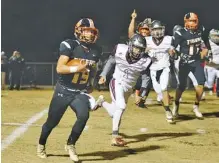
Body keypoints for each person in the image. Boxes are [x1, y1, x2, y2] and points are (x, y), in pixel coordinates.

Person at [37, 18, 103, 162]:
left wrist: (91, 82)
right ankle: (41, 144)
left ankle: (70, 145)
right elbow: (60, 68)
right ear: (79, 30)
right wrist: (76, 68)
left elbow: (94, 68)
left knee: (83, 116)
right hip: (64, 90)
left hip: (79, 92)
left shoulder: (96, 49)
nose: (91, 34)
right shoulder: (69, 45)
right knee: (52, 122)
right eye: (87, 31)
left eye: (92, 32)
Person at [98, 34, 152, 146]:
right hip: (117, 81)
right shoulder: (120, 49)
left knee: (115, 112)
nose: (137, 51)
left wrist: (141, 93)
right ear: (130, 45)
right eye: (136, 47)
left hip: (129, 87)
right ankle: (115, 136)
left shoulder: (146, 60)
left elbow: (146, 78)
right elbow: (111, 61)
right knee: (121, 106)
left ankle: (102, 103)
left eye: (140, 49)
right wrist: (103, 74)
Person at [170, 12, 210, 119]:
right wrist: (172, 52)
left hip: (196, 61)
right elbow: (172, 47)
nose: (194, 23)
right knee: (182, 86)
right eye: (191, 20)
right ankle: (176, 105)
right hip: (184, 62)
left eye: (195, 20)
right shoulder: (180, 32)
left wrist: (205, 51)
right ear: (186, 22)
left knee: (201, 84)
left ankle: (196, 106)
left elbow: (204, 45)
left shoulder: (201, 30)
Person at [146, 20, 174, 124]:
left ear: (163, 29)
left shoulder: (169, 39)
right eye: (155, 29)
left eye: (159, 29)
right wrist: (146, 49)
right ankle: (168, 108)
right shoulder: (147, 40)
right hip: (153, 70)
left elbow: (175, 54)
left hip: (165, 67)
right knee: (160, 93)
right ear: (151, 30)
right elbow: (131, 37)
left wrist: (172, 53)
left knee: (164, 88)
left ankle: (167, 112)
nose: (157, 32)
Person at [128, 9, 153, 108]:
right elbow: (130, 32)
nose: (144, 31)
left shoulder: (153, 39)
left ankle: (141, 99)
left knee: (147, 83)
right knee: (138, 82)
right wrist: (133, 19)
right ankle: (138, 98)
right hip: (137, 62)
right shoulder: (137, 37)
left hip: (148, 63)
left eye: (146, 29)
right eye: (142, 29)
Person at [202, 29, 219, 98]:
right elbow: (203, 55)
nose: (217, 38)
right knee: (209, 84)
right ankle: (202, 91)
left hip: (218, 66)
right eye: (215, 36)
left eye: (218, 36)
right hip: (210, 66)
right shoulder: (207, 44)